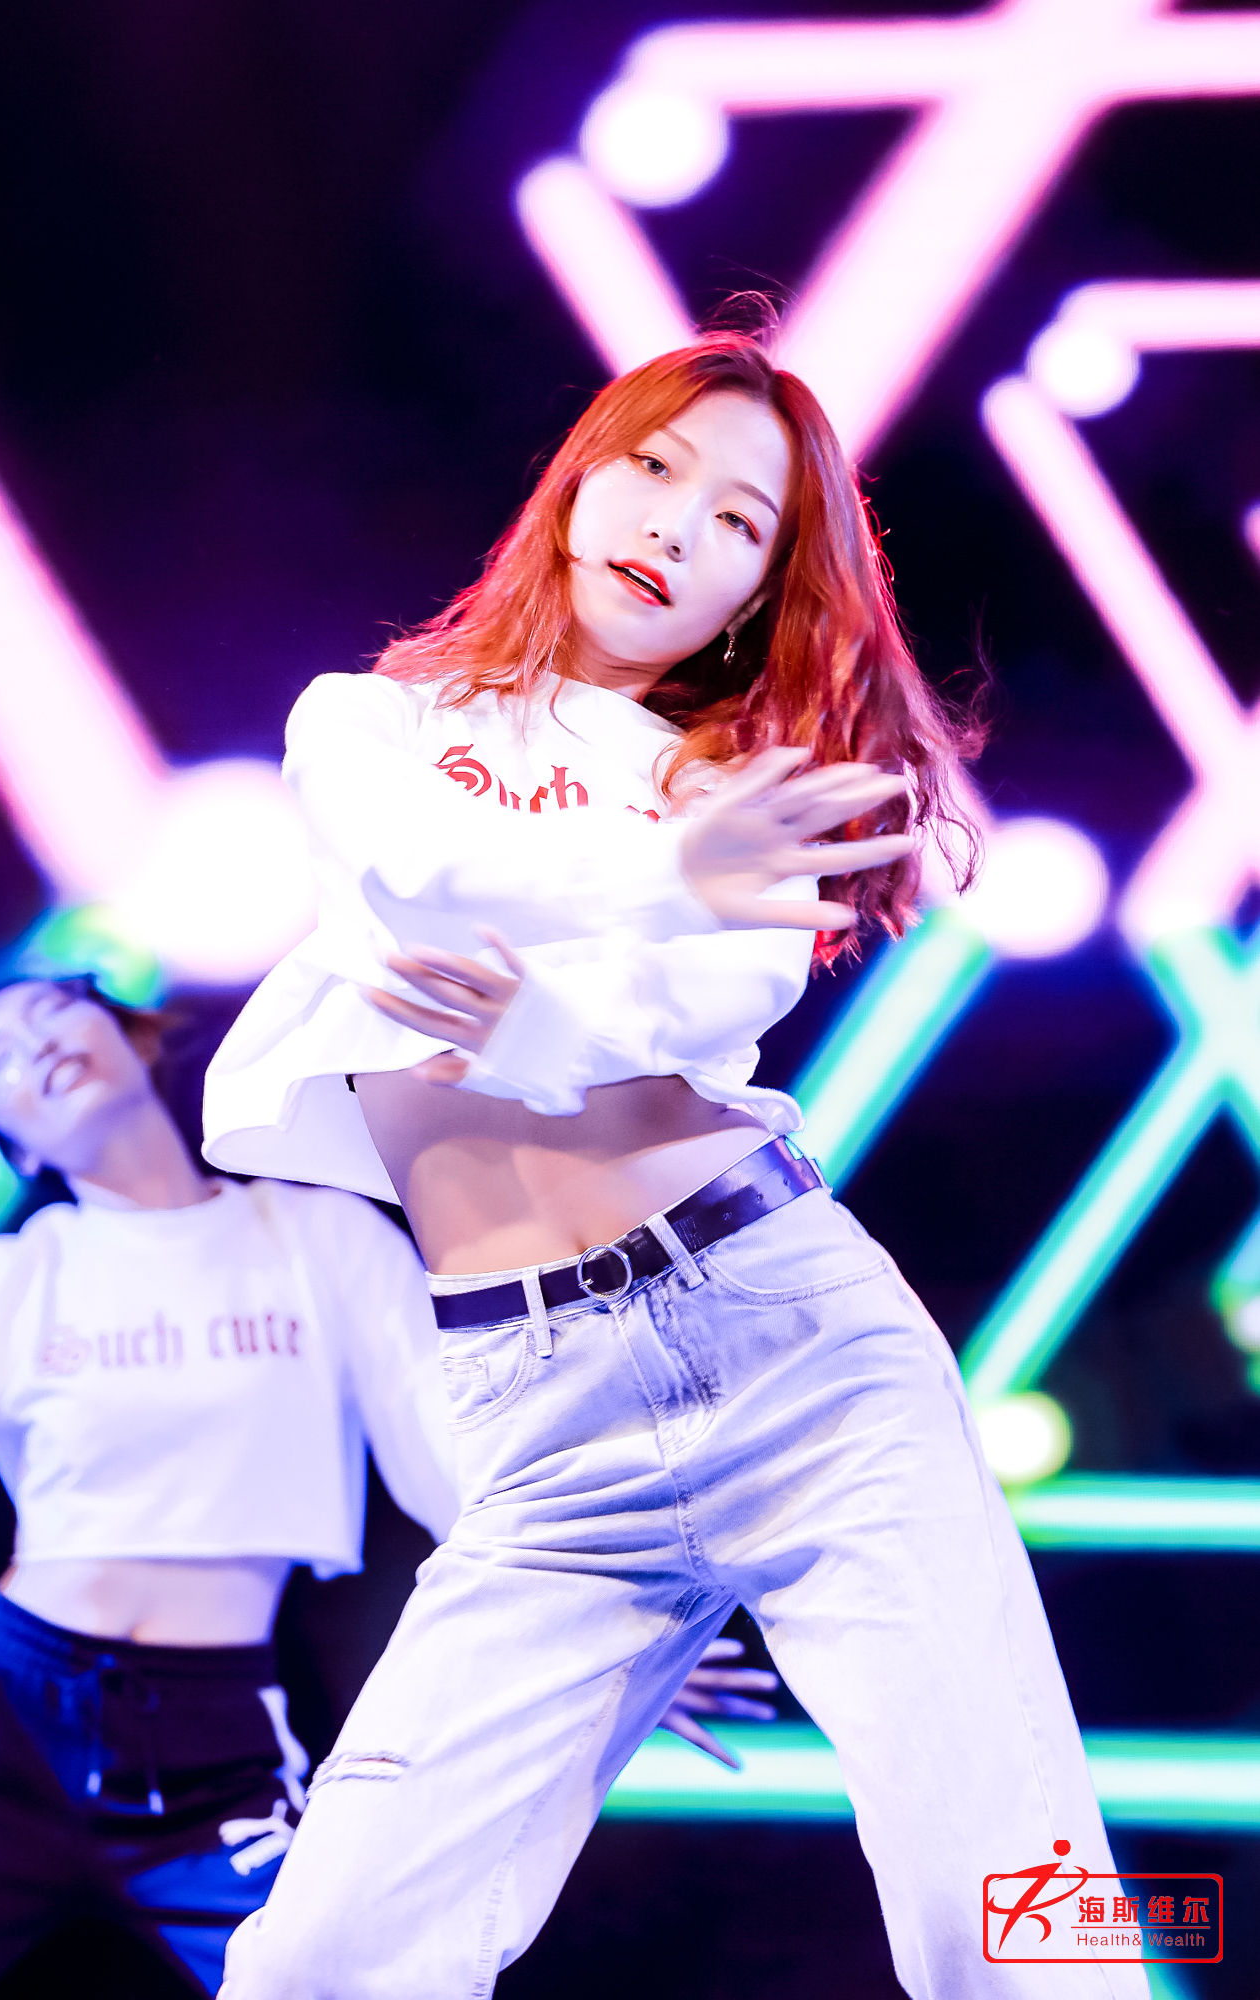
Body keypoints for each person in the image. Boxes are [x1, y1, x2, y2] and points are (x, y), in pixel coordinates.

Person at [203, 334, 1146, 1997]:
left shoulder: (740, 795)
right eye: (654, 468)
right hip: (539, 1425)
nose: (673, 526)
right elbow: (419, 866)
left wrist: (564, 991)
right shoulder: (369, 723)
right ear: (581, 477)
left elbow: (703, 1003)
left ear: (753, 595)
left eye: (737, 522)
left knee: (1007, 1910)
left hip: (788, 1342)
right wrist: (653, 883)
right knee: (323, 1965)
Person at [0, 968, 774, 1999]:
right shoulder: (4, 1281)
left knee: (340, 1977)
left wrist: (600, 1617)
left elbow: (451, 1451)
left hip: (208, 1741)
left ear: (130, 1034)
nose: (36, 1046)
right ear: (14, 1145)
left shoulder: (317, 1237)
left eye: (53, 1010)